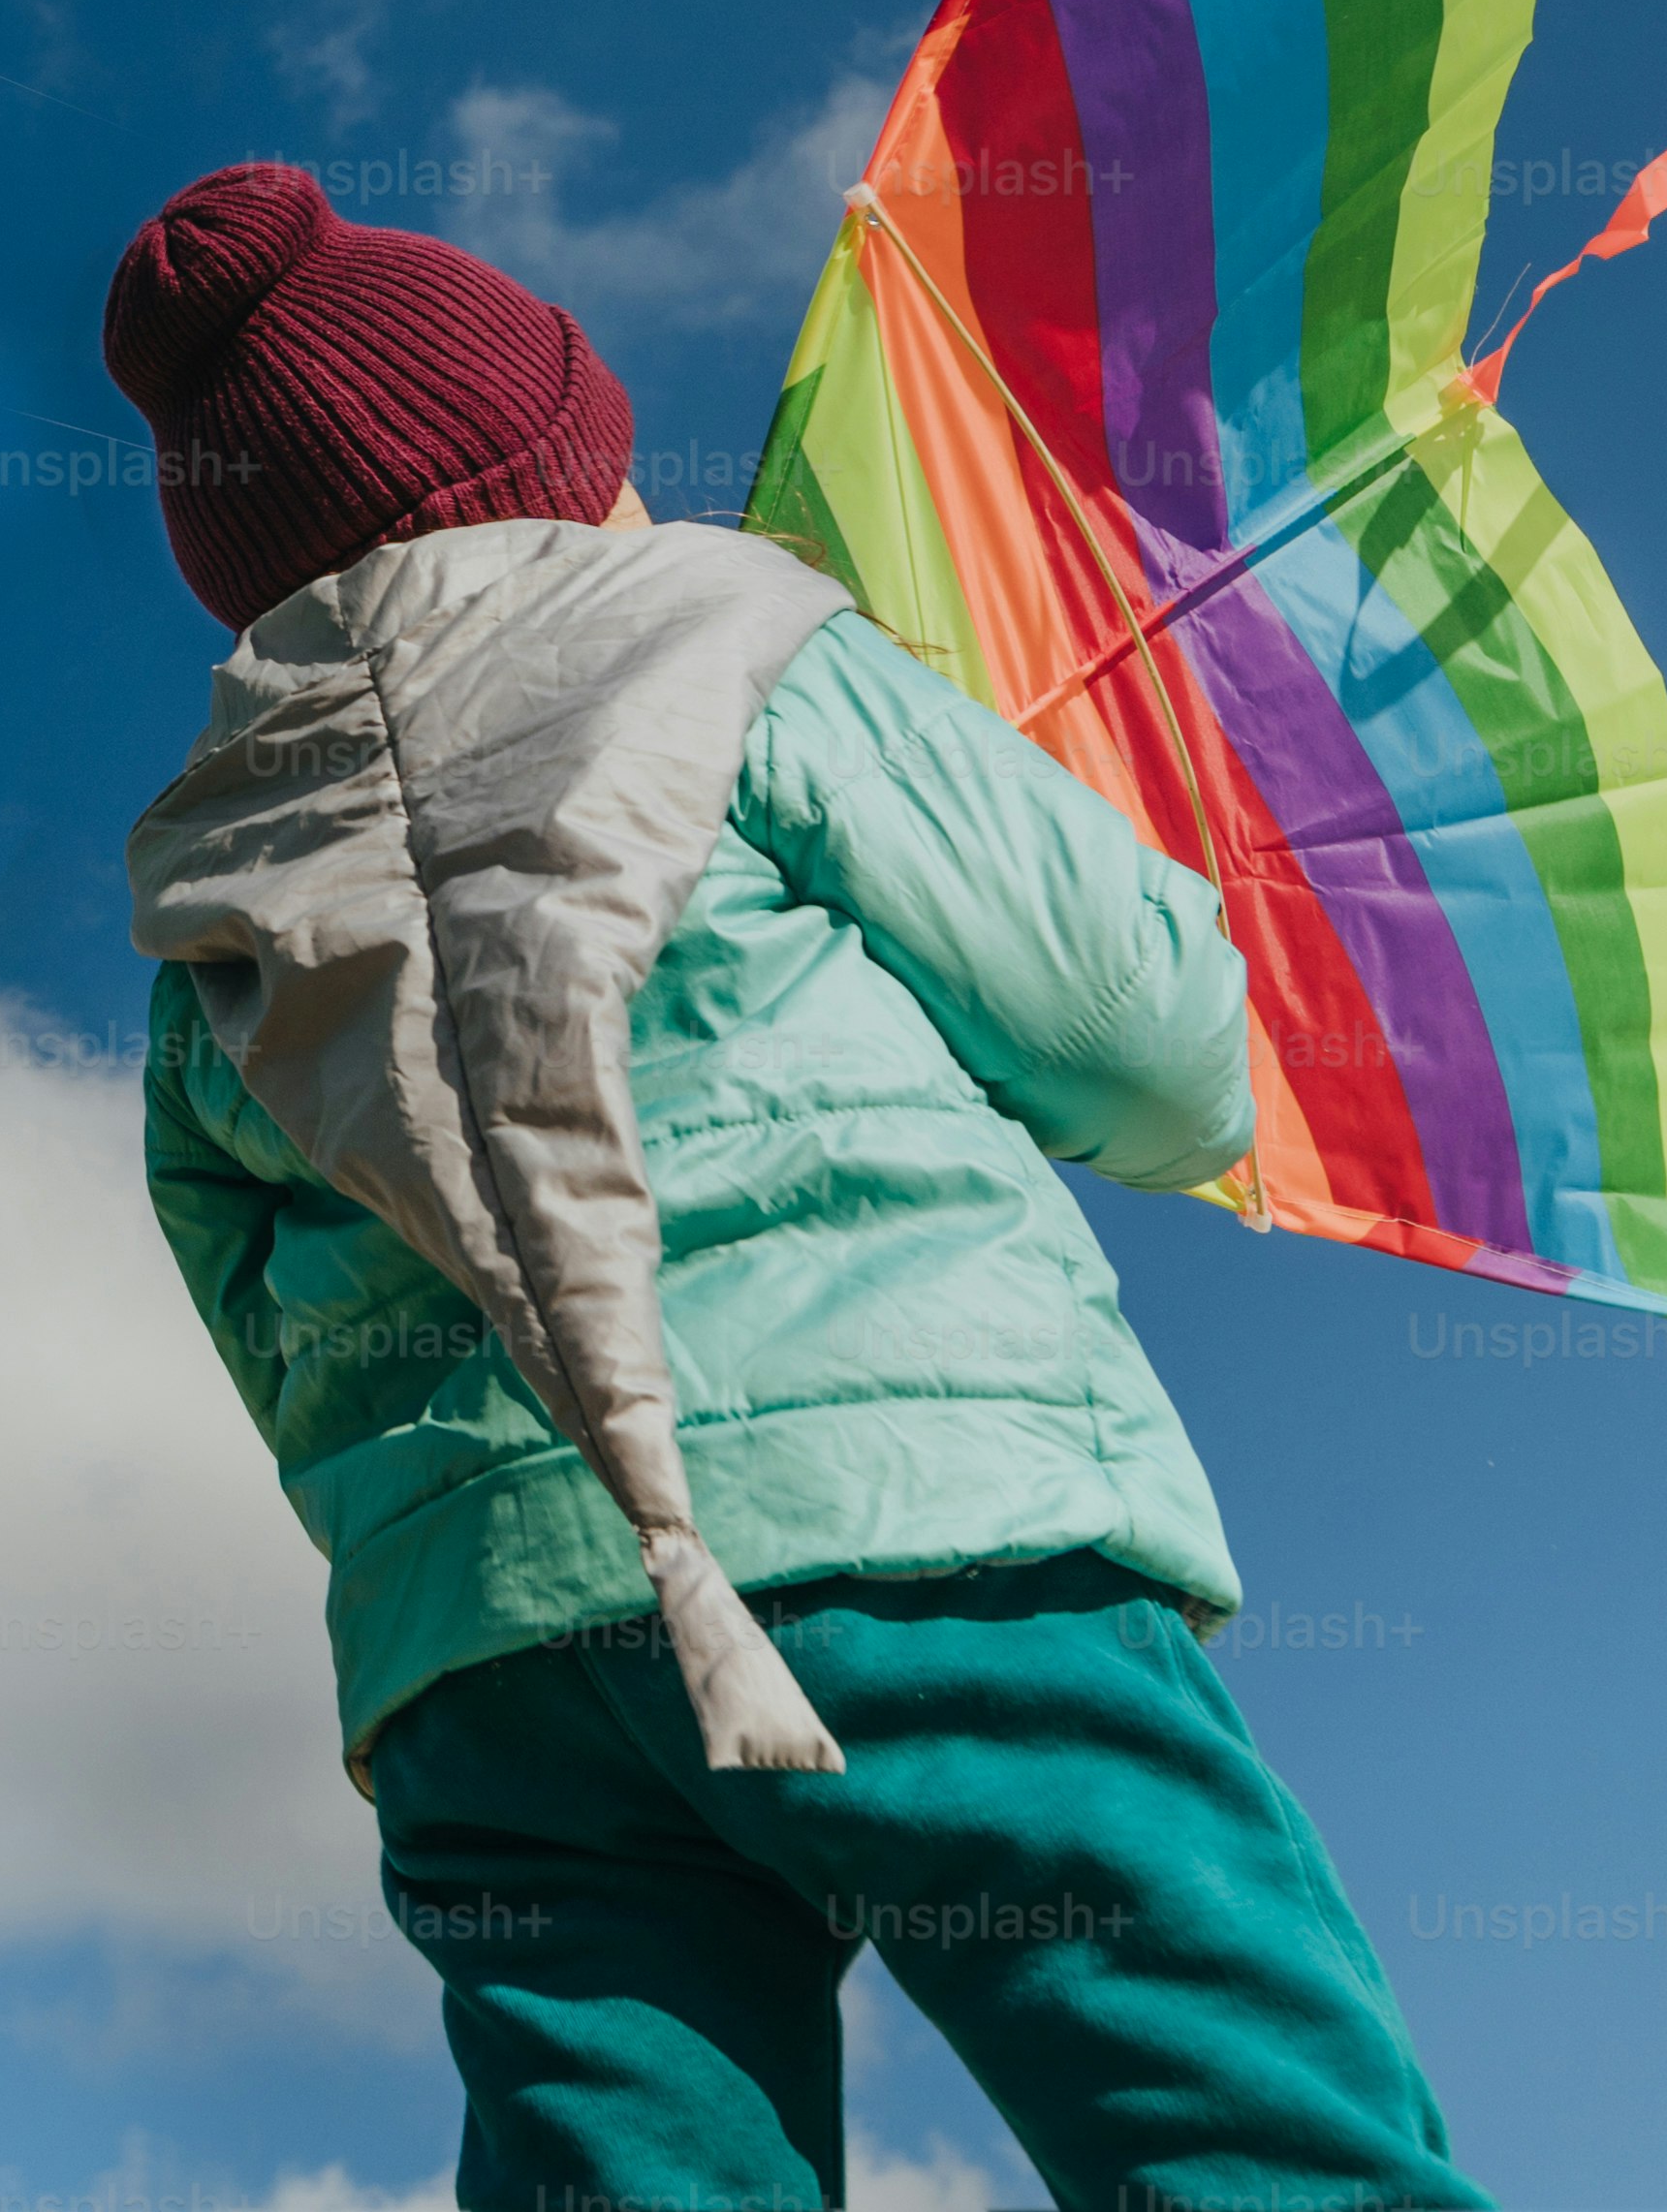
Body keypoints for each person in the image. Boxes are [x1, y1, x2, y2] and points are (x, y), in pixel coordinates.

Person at [104, 164, 1483, 2212]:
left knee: (628, 2168)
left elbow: (255, 1319)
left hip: (489, 1661)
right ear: (566, 455)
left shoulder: (211, 876)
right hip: (921, 1535)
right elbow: (1144, 1036)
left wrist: (474, 1532)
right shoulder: (734, 631)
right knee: (1226, 2103)